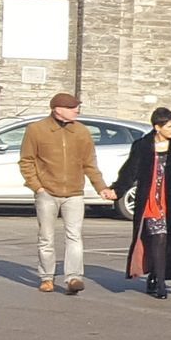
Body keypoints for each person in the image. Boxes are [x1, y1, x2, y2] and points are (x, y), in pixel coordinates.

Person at [111, 108, 171, 299]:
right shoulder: (142, 146)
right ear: (157, 127)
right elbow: (130, 171)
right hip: (150, 201)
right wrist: (117, 190)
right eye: (169, 126)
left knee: (168, 241)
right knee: (157, 239)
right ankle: (159, 282)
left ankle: (156, 275)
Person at [20, 92, 110, 294]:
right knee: (46, 237)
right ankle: (46, 277)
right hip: (47, 193)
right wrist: (37, 187)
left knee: (74, 236)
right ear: (57, 109)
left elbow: (89, 163)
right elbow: (26, 161)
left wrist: (101, 187)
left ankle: (74, 278)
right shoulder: (36, 130)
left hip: (74, 193)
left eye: (77, 107)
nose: (76, 110)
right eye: (72, 107)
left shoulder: (82, 132)